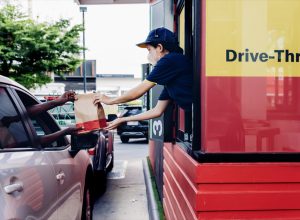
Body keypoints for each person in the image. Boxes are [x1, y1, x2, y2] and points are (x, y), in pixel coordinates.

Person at [94, 27, 193, 130]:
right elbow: (157, 111)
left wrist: (110, 100)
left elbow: (137, 92)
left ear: (159, 47)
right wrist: (122, 119)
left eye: (149, 50)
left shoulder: (169, 60)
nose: (148, 55)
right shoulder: (171, 75)